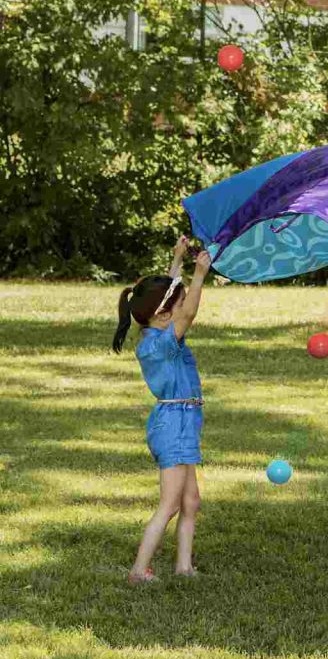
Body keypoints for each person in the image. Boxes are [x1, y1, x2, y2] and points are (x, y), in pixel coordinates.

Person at [111, 237, 211, 584]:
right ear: (165, 316)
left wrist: (178, 260)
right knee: (170, 504)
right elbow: (188, 311)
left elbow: (169, 301)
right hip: (175, 425)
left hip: (179, 421)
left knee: (191, 501)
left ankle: (184, 567)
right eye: (177, 309)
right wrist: (199, 273)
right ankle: (139, 570)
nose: (183, 312)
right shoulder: (166, 344)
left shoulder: (155, 331)